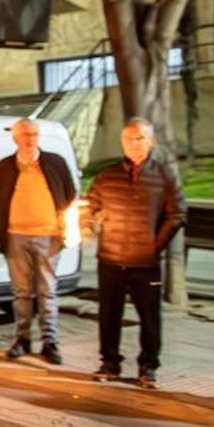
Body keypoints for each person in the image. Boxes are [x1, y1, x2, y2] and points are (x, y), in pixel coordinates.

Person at [84, 118, 186, 389]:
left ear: (151, 140)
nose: (134, 144)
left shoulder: (164, 175)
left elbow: (177, 214)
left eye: (140, 138)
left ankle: (148, 366)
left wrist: (155, 245)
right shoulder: (107, 176)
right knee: (109, 314)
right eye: (128, 139)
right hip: (110, 258)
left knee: (149, 317)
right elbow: (91, 206)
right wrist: (89, 222)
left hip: (145, 261)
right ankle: (109, 362)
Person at [0, 118, 76, 364]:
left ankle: (50, 341)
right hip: (16, 235)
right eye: (25, 135)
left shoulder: (54, 163)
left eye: (34, 134)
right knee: (22, 292)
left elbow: (69, 193)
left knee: (47, 290)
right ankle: (22, 339)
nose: (30, 139)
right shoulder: (5, 167)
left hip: (49, 236)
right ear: (15, 138)